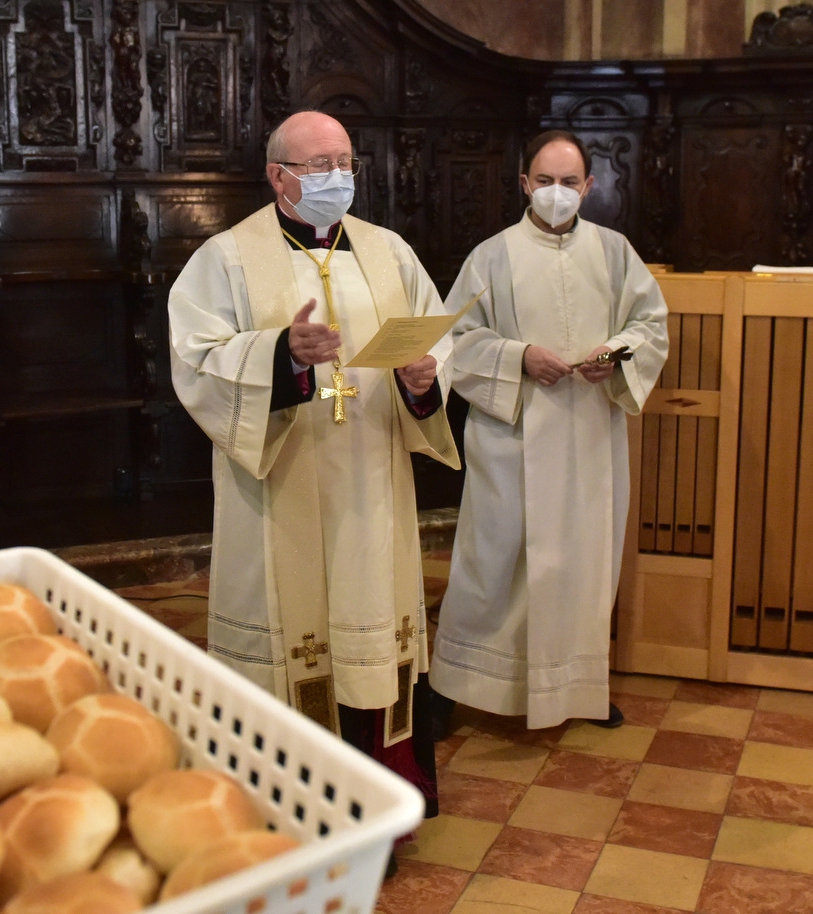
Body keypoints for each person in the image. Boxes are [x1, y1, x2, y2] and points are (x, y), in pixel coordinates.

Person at [168, 110, 460, 830]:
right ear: (277, 176)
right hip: (281, 483)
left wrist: (425, 379)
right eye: (318, 165)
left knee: (369, 624)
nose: (338, 177)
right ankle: (285, 802)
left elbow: (432, 340)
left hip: (371, 481)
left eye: (345, 162)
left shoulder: (390, 252)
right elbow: (195, 358)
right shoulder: (227, 258)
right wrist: (280, 356)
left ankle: (382, 793)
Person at [429, 129, 669, 734]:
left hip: (588, 434)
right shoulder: (491, 255)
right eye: (544, 181)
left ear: (588, 187)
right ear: (524, 184)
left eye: (568, 182)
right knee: (494, 562)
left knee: (581, 566)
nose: (556, 193)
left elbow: (650, 326)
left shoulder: (615, 252)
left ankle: (577, 686)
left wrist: (613, 355)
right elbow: (455, 339)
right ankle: (456, 686)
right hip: (512, 432)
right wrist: (517, 357)